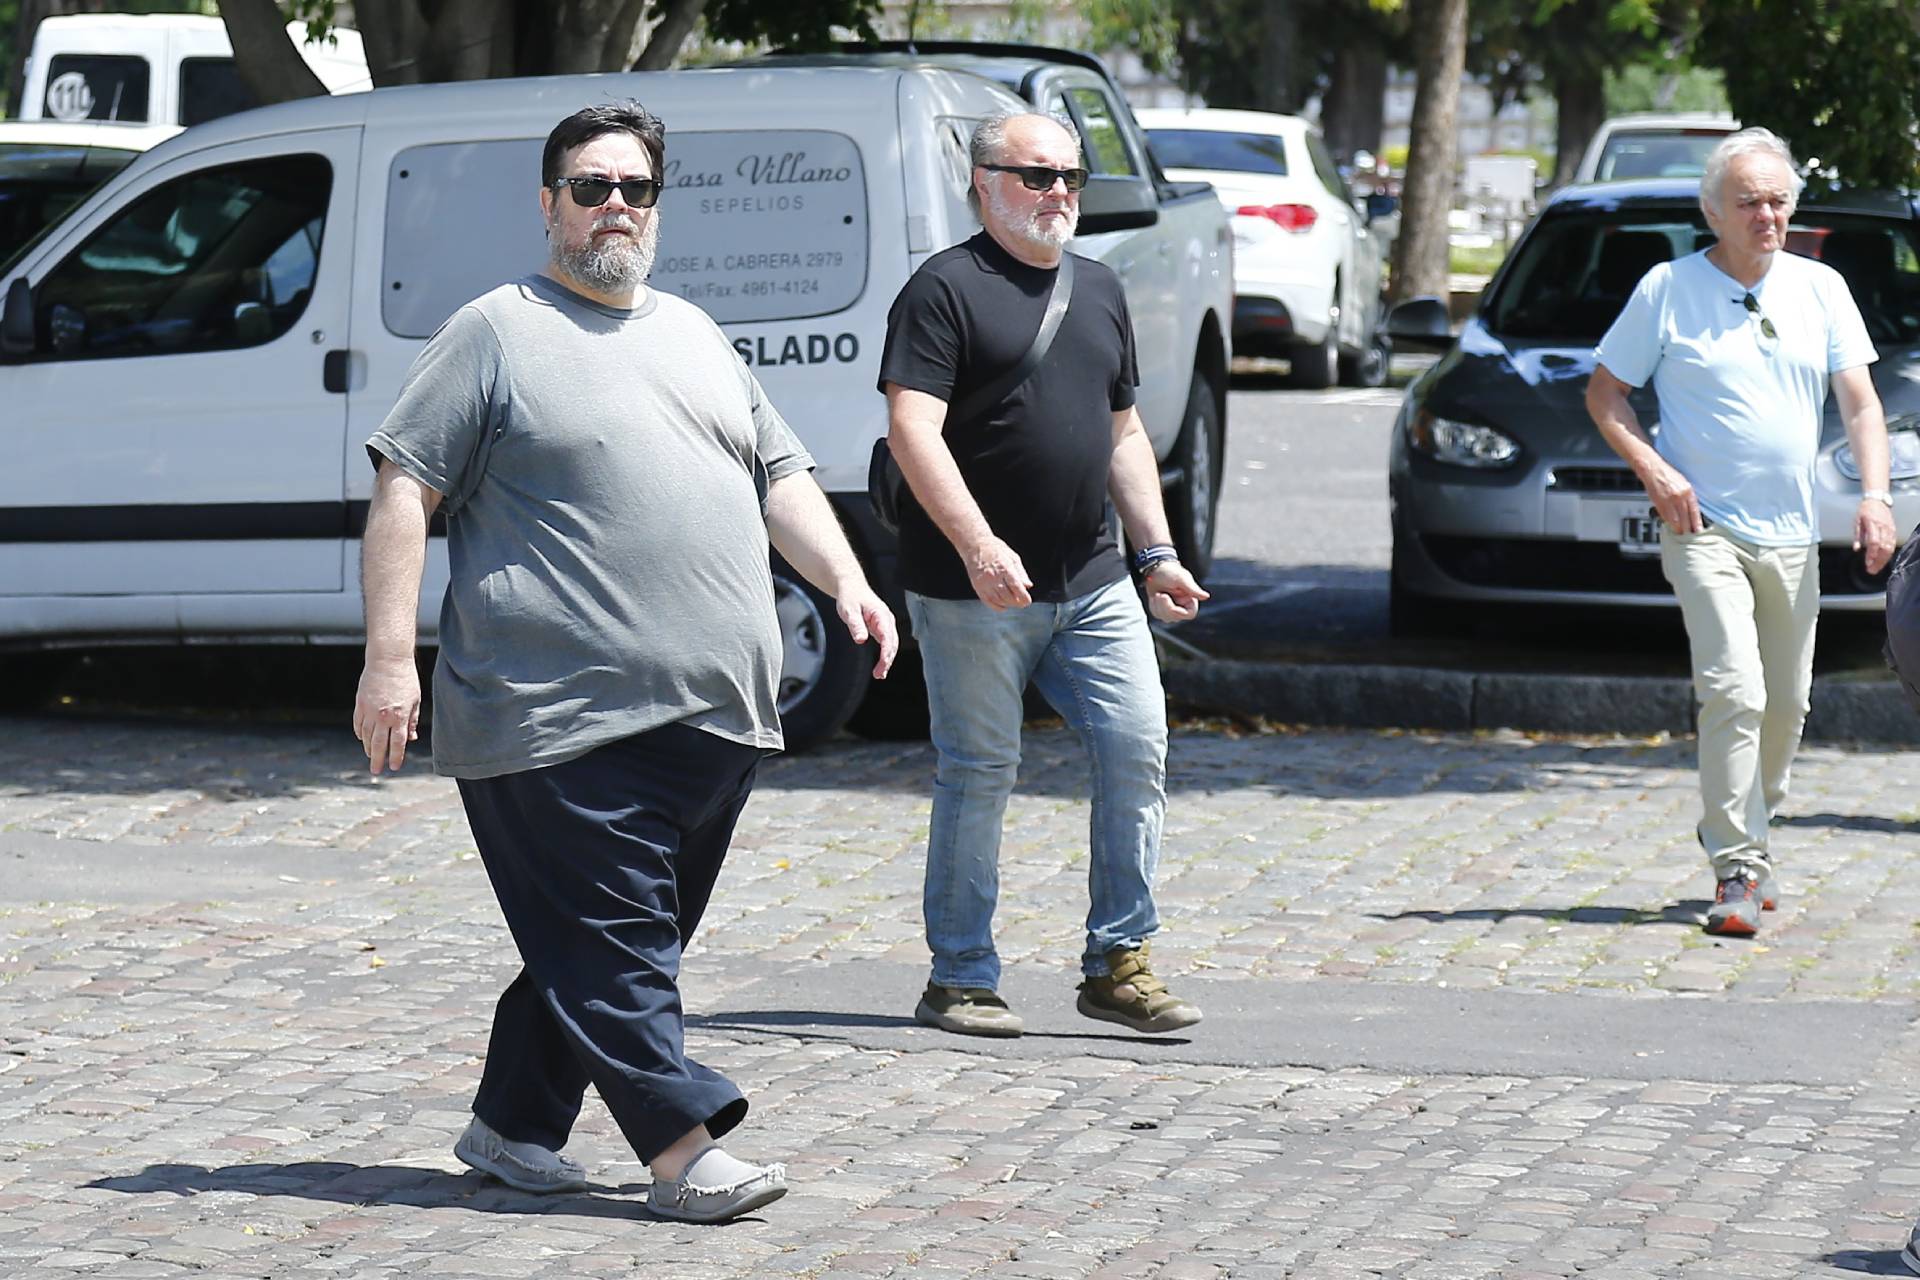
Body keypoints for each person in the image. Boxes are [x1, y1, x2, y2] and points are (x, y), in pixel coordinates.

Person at [351, 100, 896, 1222]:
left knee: (605, 939)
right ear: (548, 204)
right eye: (590, 187)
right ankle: (683, 1153)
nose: (614, 207)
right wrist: (388, 660)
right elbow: (406, 484)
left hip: (712, 720)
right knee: (618, 949)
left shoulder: (695, 332)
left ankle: (511, 1123)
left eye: (634, 189)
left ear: (657, 205)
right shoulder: (494, 329)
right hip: (553, 717)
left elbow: (780, 474)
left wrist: (846, 582)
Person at [878, 111, 1209, 1038]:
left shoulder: (1101, 288)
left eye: (1069, 175)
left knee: (1136, 744)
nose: (1058, 192)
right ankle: (961, 977)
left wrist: (1156, 553)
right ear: (982, 181)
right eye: (1035, 175)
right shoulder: (943, 289)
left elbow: (1123, 433)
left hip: (1092, 577)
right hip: (968, 587)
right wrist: (980, 547)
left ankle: (1119, 962)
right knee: (981, 771)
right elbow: (914, 431)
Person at [1586, 126, 1894, 937]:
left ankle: (1744, 823)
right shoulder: (1667, 289)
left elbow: (1860, 403)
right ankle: (1738, 869)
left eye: (1779, 201)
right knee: (1735, 691)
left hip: (1792, 535)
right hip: (1703, 528)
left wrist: (1874, 496)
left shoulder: (1820, 288)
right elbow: (1606, 394)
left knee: (1788, 706)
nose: (1768, 215)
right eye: (1750, 201)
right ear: (1713, 211)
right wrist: (1657, 471)